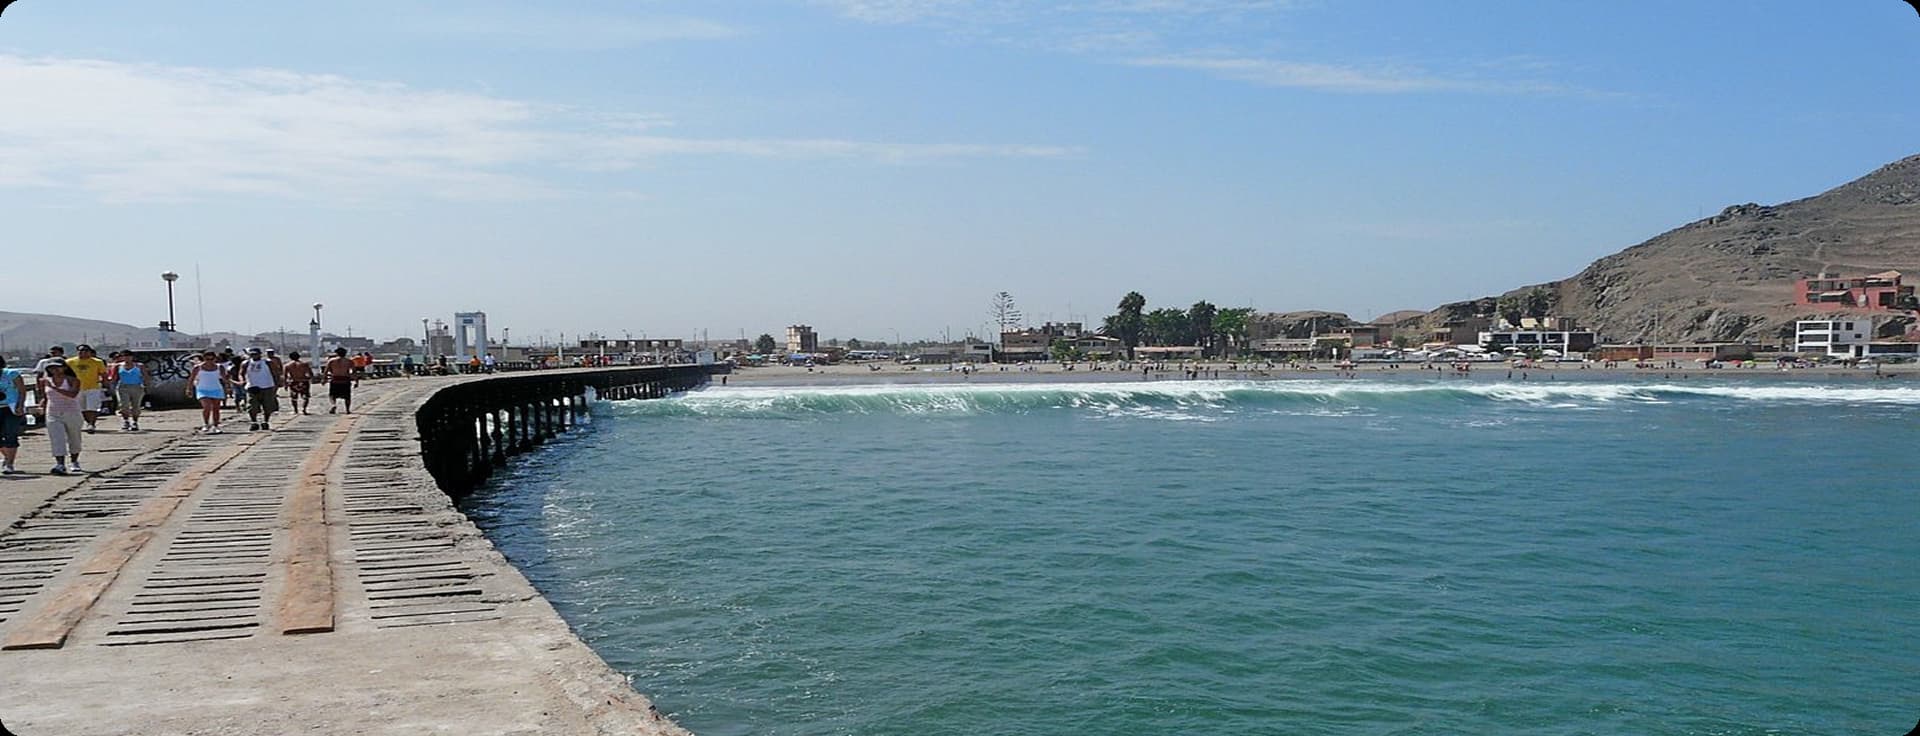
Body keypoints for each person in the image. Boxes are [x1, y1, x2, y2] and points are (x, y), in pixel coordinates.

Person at [38, 361, 86, 474]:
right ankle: (60, 464)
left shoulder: (72, 380)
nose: (54, 370)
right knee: (57, 438)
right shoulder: (46, 381)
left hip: (71, 412)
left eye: (57, 367)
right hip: (53, 413)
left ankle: (74, 461)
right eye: (51, 368)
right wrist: (42, 404)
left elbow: (72, 394)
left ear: (64, 368)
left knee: (74, 438)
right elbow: (45, 396)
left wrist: (54, 388)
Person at [188, 351, 229, 433]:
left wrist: (228, 387)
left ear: (215, 359)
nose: (209, 361)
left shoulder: (219, 367)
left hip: (216, 389)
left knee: (216, 409)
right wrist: (189, 389)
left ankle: (216, 426)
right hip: (202, 389)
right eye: (207, 359)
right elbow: (191, 379)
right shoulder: (197, 368)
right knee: (207, 407)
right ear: (204, 359)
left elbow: (224, 378)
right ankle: (206, 424)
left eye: (212, 359)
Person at [241, 347, 280, 431]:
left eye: (255, 354)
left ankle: (265, 421)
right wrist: (243, 381)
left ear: (260, 354)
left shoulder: (268, 362)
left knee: (267, 406)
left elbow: (276, 373)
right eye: (252, 354)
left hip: (267, 386)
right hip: (252, 387)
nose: (254, 356)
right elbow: (241, 373)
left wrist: (276, 385)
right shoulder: (246, 363)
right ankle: (254, 422)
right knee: (252, 406)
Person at [112, 351, 149, 431]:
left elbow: (145, 376)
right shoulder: (118, 366)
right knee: (124, 405)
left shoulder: (139, 366)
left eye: (128, 356)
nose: (126, 358)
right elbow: (114, 377)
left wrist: (145, 385)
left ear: (132, 357)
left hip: (137, 386)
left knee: (136, 406)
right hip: (123, 387)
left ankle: (135, 422)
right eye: (124, 356)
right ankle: (126, 421)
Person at [0, 356, 24, 474]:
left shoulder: (12, 374)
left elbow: (21, 390)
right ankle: (7, 456)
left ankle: (9, 463)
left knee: (10, 434)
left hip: (11, 407)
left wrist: (20, 405)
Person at [325, 347, 355, 414]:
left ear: (337, 353)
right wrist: (356, 381)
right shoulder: (349, 361)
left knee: (332, 395)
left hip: (335, 379)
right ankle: (347, 410)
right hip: (345, 380)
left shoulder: (331, 361)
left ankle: (333, 405)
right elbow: (354, 372)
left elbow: (326, 371)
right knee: (347, 396)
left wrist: (324, 379)